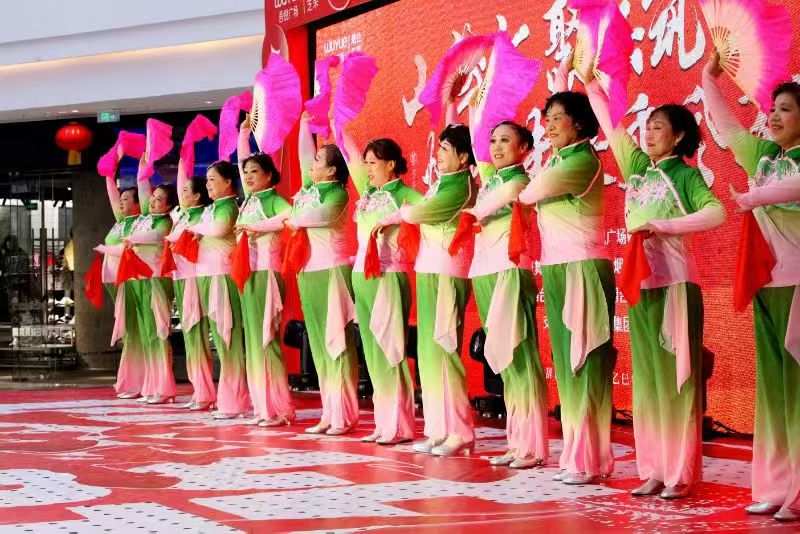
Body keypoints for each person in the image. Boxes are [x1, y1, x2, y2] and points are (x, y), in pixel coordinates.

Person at [586, 56, 725, 499]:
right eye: (646, 128)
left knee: (677, 378)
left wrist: (663, 226)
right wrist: (590, 82)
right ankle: (654, 469)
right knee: (647, 379)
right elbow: (612, 127)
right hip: (642, 286)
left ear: (679, 136)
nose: (647, 134)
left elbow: (716, 213)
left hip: (676, 284)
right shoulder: (639, 171)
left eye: (657, 128)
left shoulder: (685, 174)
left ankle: (680, 473)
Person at [704, 51, 800, 521]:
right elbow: (728, 128)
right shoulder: (763, 157)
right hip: (766, 283)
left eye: (786, 109)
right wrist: (709, 78)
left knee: (797, 390)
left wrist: (753, 197)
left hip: (798, 284)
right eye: (773, 109)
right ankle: (776, 486)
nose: (775, 116)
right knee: (773, 391)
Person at [518, 65, 615, 485]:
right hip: (557, 267)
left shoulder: (581, 161)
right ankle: (577, 455)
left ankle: (591, 459)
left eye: (559, 118)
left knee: (586, 359)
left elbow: (530, 192)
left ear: (579, 123)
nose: (550, 125)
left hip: (582, 267)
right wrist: (561, 74)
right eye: (548, 118)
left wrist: (578, 80)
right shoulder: (560, 158)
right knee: (566, 362)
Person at [379, 124, 476, 457]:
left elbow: (420, 212)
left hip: (448, 270)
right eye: (441, 147)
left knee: (446, 349)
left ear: (463, 157)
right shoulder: (441, 183)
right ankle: (437, 429)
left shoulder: (461, 186)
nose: (439, 154)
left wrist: (401, 213)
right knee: (429, 353)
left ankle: (460, 431)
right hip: (427, 269)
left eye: (446, 149)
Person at [461, 120, 548, 469]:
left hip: (510, 269)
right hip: (484, 269)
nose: (496, 147)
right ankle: (517, 442)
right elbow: (475, 133)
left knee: (520, 356)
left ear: (524, 148)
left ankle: (533, 446)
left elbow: (492, 204)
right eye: (493, 140)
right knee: (505, 362)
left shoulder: (519, 181)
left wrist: (472, 213)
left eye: (505, 141)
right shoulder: (491, 181)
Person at [341, 129, 421, 445]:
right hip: (362, 276)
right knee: (372, 353)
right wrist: (338, 125)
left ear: (390, 165)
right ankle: (383, 421)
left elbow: (427, 209)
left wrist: (395, 218)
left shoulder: (405, 194)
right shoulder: (369, 194)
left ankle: (399, 425)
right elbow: (350, 157)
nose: (367, 168)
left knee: (391, 350)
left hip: (388, 275)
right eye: (366, 163)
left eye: (373, 163)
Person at [290, 116, 359, 435]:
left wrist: (290, 218)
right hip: (308, 272)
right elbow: (303, 155)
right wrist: (305, 125)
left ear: (332, 170)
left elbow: (313, 217)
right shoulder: (309, 191)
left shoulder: (337, 195)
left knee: (337, 343)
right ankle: (330, 412)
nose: (311, 163)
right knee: (319, 344)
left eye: (319, 160)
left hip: (332, 271)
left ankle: (344, 414)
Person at [235, 117, 296, 427]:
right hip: (248, 275)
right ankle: (262, 406)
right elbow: (241, 160)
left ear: (269, 175)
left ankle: (278, 407)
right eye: (245, 172)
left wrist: (258, 227)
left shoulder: (273, 200)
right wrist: (244, 133)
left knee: (265, 339)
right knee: (253, 341)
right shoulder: (250, 201)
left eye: (254, 172)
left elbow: (290, 217)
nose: (247, 176)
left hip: (266, 273)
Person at [189, 161, 250, 419]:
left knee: (229, 338)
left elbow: (219, 229)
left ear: (228, 182)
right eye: (206, 180)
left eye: (213, 179)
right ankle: (229, 399)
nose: (208, 184)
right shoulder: (211, 209)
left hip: (222, 276)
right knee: (222, 339)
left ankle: (235, 402)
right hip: (206, 275)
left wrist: (195, 228)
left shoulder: (228, 207)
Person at [165, 160, 216, 411]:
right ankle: (199, 390)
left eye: (186, 191)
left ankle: (205, 392)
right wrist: (183, 160)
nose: (181, 193)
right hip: (180, 277)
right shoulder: (183, 215)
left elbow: (177, 238)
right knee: (189, 335)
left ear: (197, 196)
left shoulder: (198, 217)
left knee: (196, 334)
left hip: (192, 278)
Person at [124, 181, 180, 405]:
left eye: (159, 199)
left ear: (168, 205)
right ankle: (152, 385)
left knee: (158, 332)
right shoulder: (144, 220)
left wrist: (132, 239)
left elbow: (156, 237)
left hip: (157, 279)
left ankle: (164, 388)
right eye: (152, 197)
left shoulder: (166, 222)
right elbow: (142, 188)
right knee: (147, 333)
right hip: (141, 279)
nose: (153, 202)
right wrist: (142, 173)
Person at [95, 178, 144, 400]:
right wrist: (109, 174)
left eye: (126, 199)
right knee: (128, 332)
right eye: (121, 199)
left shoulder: (138, 224)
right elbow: (112, 195)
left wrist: (104, 248)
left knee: (134, 331)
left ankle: (139, 382)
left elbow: (124, 251)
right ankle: (130, 381)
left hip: (130, 280)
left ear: (138, 203)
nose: (121, 202)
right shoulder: (120, 222)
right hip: (115, 282)